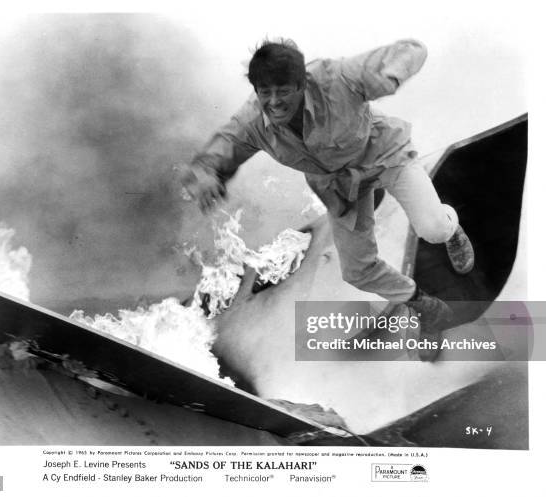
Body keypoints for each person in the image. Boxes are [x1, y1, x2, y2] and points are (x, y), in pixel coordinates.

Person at [180, 38, 474, 361]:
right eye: (265, 92)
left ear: (301, 83)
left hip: (384, 154)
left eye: (283, 91)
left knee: (433, 228)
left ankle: (452, 229)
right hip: (341, 187)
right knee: (358, 271)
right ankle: (425, 307)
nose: (274, 102)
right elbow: (218, 151)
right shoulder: (253, 121)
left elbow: (413, 49)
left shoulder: (338, 78)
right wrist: (207, 172)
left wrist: (388, 77)